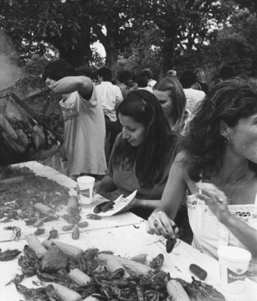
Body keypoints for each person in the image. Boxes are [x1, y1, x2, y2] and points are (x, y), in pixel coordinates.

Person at [146, 79, 257, 280]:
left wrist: (227, 218)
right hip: (197, 279)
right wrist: (158, 218)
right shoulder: (187, 164)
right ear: (224, 129)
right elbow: (165, 210)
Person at [95, 90, 181, 220]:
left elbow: (186, 203)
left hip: (160, 224)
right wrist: (98, 186)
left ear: (152, 127)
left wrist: (138, 203)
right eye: (122, 127)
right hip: (124, 219)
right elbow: (113, 178)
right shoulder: (121, 140)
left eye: (132, 129)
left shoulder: (177, 150)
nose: (124, 135)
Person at [42, 60, 107, 180]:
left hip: (91, 168)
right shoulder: (59, 106)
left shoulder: (84, 98)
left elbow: (83, 82)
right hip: (73, 168)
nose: (46, 81)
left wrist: (46, 91)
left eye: (51, 78)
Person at [95, 67, 123, 158]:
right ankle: (111, 159)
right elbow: (120, 102)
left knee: (99, 141)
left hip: (99, 118)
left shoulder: (96, 88)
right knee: (114, 140)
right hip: (113, 118)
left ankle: (99, 160)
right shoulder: (116, 88)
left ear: (101, 77)